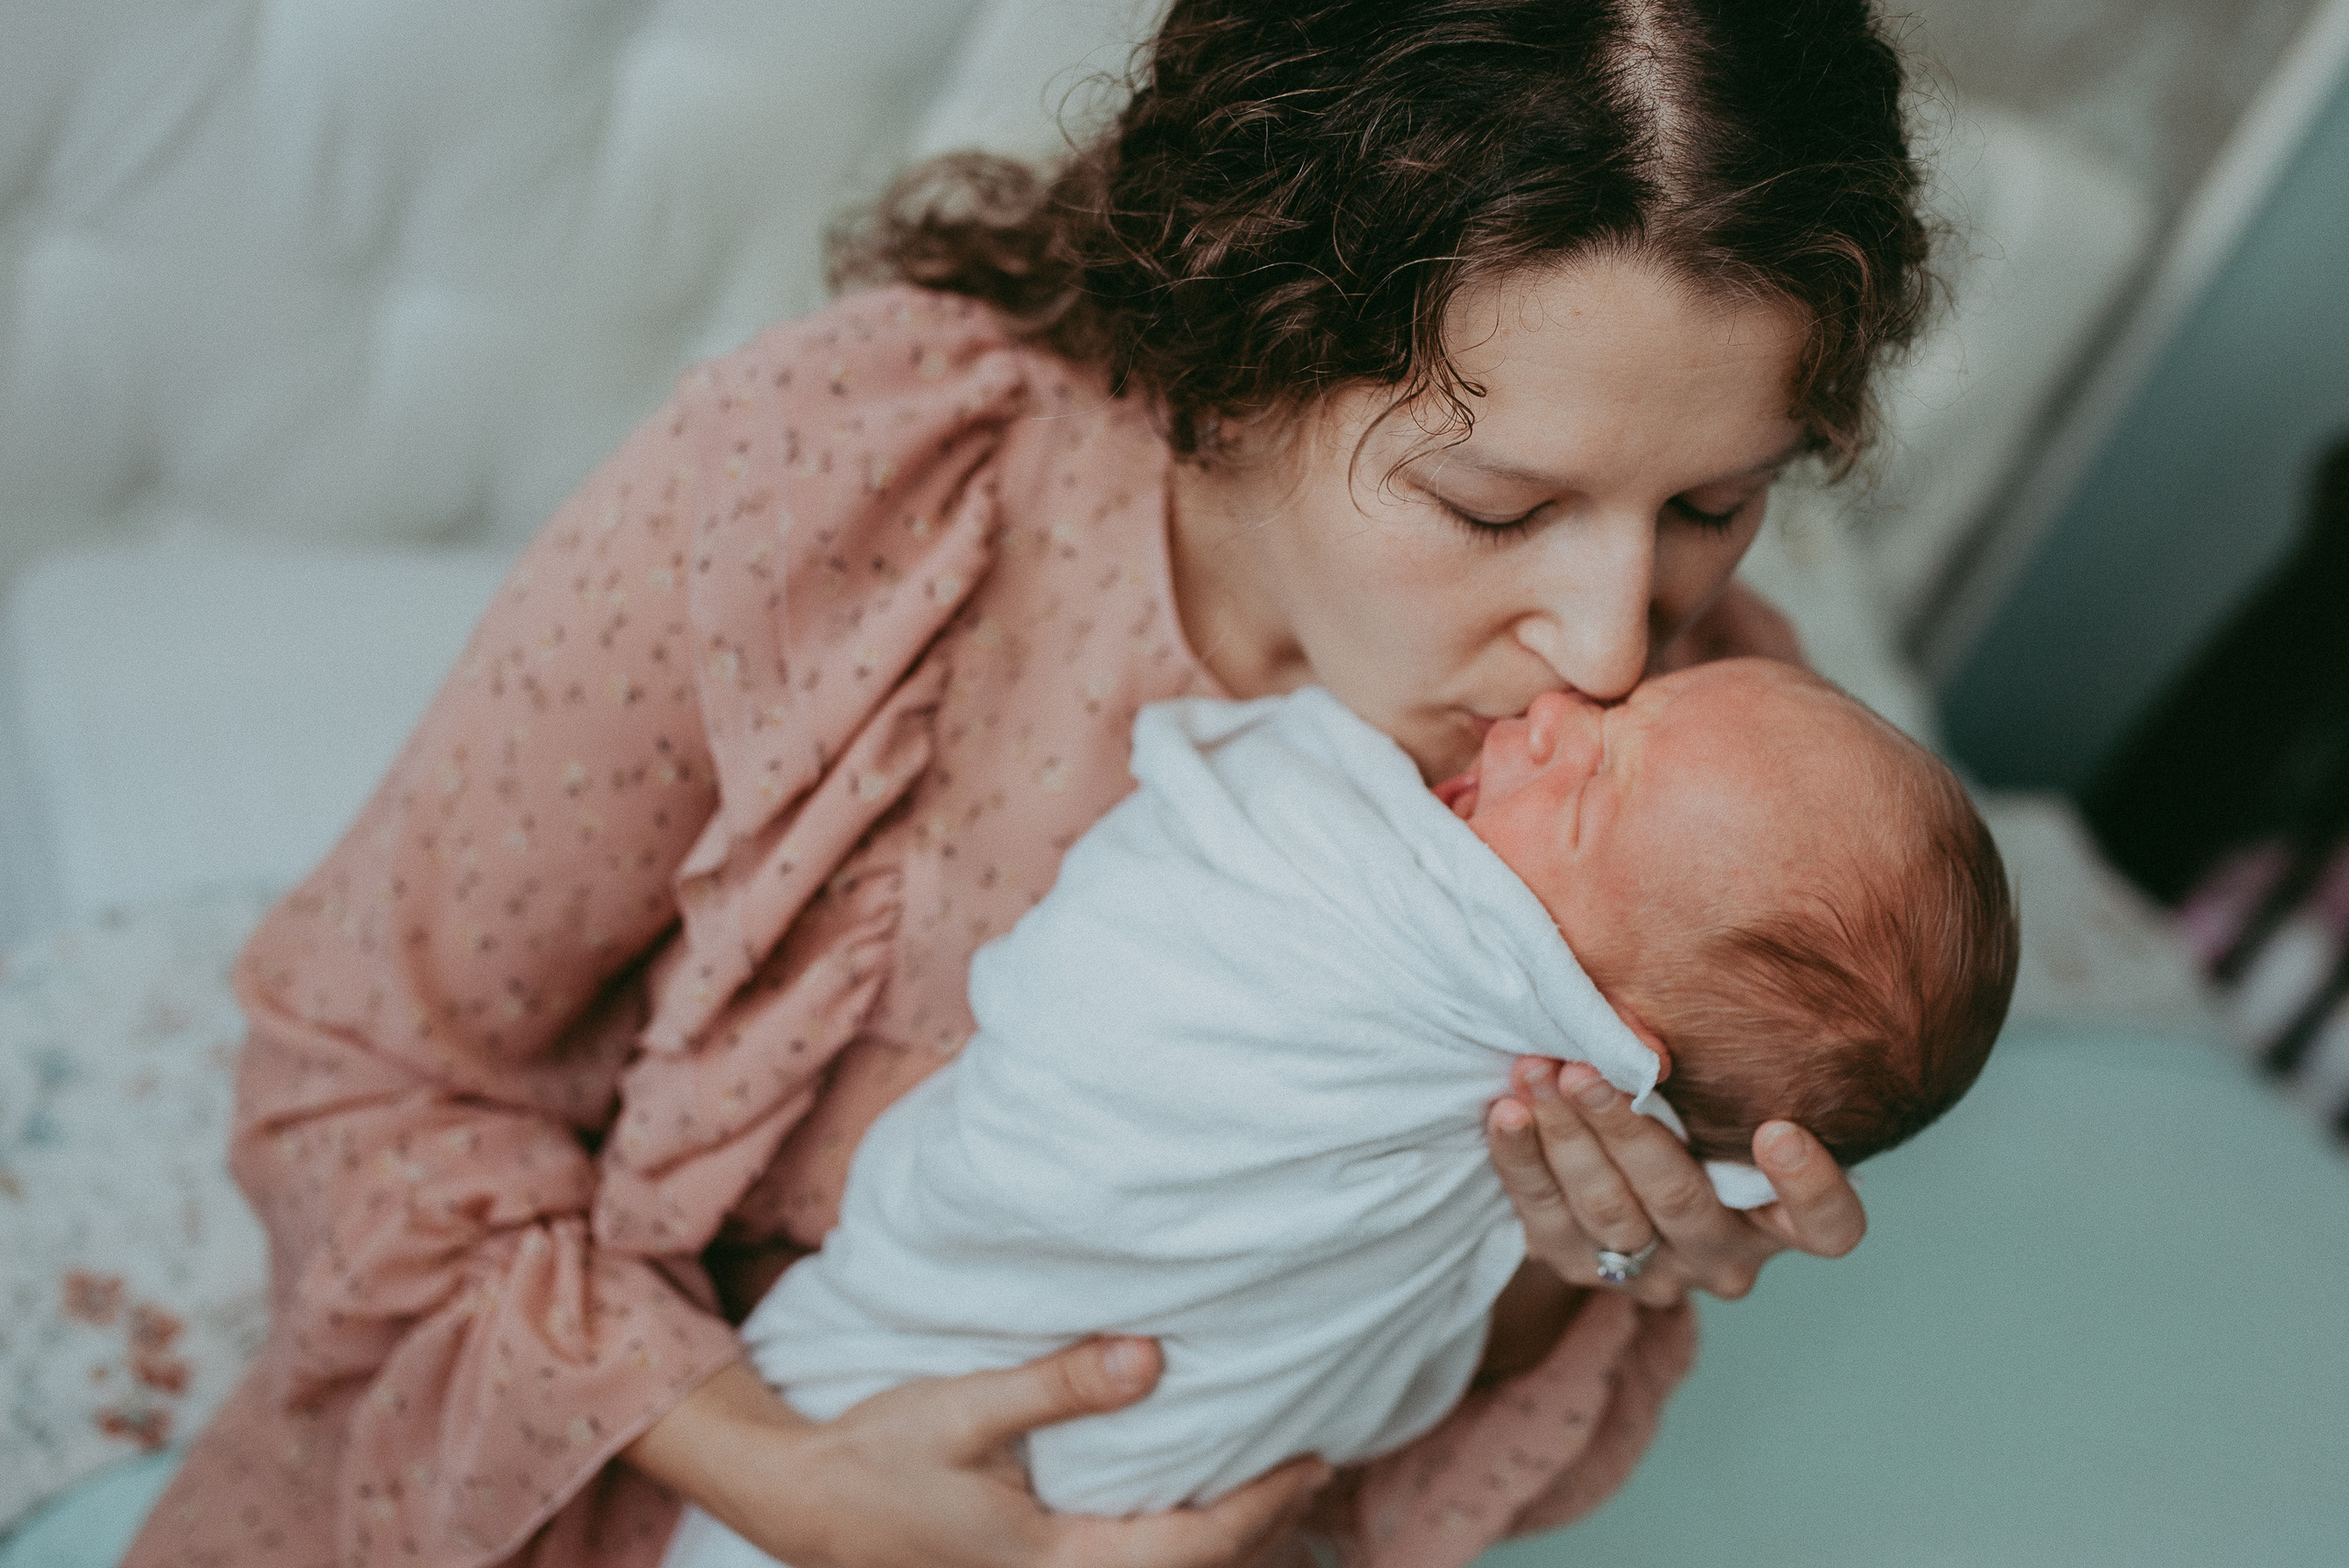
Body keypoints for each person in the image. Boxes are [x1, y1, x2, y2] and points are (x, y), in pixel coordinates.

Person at [124, 3, 1928, 1565]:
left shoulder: (1723, 771)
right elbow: (361, 1068)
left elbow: (1335, 1392)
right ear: (1246, 353)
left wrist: (1561, 1262)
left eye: (1713, 502)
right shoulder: (847, 488)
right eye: (1495, 507)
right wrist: (779, 1478)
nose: (1611, 645)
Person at [661, 659, 2016, 1567]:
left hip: (1147, 1477)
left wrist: (1634, 1239)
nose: (1559, 703)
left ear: (1613, 1033)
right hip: (843, 1410)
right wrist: (780, 1482)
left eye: (1593, 788)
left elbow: (1435, 1294)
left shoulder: (1699, 879)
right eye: (1622, 704)